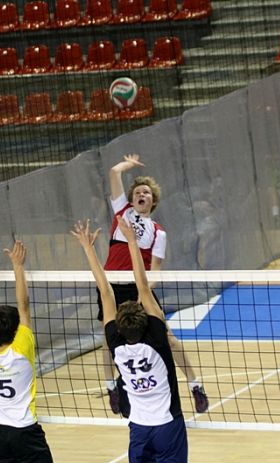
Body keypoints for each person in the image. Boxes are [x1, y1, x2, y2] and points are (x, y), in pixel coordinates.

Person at [96, 153, 208, 414]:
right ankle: (112, 387)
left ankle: (195, 385)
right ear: (131, 199)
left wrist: (143, 294)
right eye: (137, 192)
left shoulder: (158, 232)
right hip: (111, 286)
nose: (141, 194)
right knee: (108, 338)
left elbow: (155, 270)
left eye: (146, 192)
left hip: (139, 288)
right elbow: (114, 173)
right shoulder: (122, 212)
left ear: (152, 200)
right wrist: (128, 165)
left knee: (167, 337)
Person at [72, 218, 188, 463]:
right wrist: (133, 242)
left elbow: (106, 291)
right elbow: (143, 287)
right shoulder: (157, 337)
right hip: (168, 425)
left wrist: (88, 248)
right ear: (146, 320)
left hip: (139, 429)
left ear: (118, 326)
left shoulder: (115, 343)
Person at [0, 239, 53, 463]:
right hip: (25, 432)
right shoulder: (22, 349)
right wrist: (18, 265)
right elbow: (23, 306)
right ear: (17, 330)